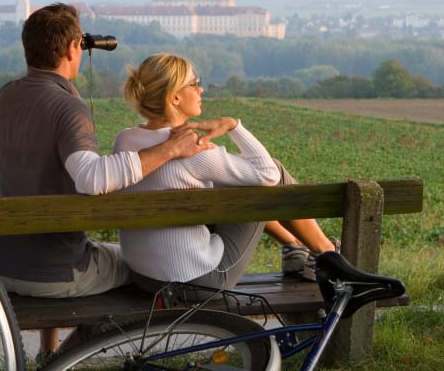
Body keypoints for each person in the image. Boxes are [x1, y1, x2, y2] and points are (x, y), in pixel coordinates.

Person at [0, 5, 212, 352]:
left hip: (0, 264)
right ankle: (68, 356)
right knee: (144, 266)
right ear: (75, 47)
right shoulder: (67, 107)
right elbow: (91, 179)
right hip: (54, 274)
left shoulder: (6, 96)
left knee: (100, 253)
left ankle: (50, 350)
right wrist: (169, 150)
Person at [114, 53, 337, 293]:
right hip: (199, 280)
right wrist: (233, 125)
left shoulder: (125, 139)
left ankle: (294, 246)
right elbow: (269, 174)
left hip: (145, 276)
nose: (201, 90)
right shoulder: (195, 153)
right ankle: (329, 256)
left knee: (242, 181)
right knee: (272, 175)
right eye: (194, 83)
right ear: (175, 97)